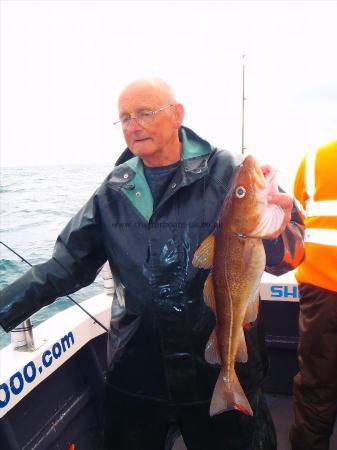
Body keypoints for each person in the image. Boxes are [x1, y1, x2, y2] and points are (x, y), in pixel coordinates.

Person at [0, 79, 304, 450]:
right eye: (125, 118)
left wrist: (278, 231)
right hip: (136, 374)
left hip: (216, 368)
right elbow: (64, 267)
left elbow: (290, 254)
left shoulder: (230, 172)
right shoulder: (114, 191)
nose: (134, 125)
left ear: (178, 114)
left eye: (145, 113)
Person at [290, 140, 337, 450]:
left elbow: (294, 220)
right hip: (320, 292)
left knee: (316, 387)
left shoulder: (314, 158)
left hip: (320, 292)